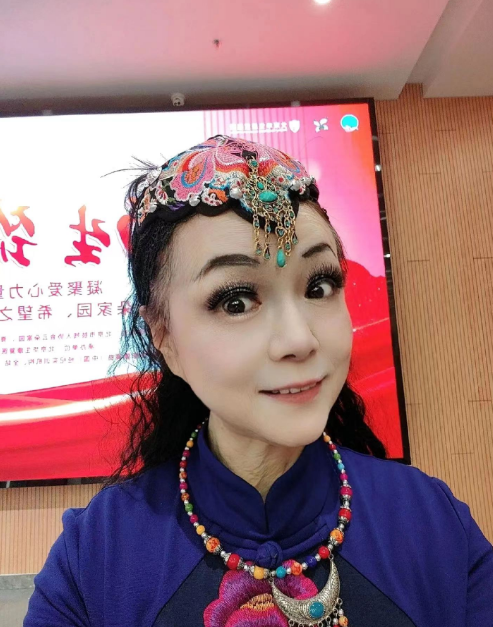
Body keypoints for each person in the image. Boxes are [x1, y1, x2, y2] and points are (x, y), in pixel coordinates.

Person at [24, 135, 493, 627]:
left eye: (319, 286)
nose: (300, 339)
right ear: (164, 337)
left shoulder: (433, 522)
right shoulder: (97, 555)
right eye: (236, 301)